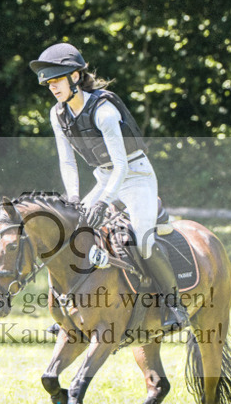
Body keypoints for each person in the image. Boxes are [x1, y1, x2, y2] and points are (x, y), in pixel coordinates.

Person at [30, 42, 190, 330]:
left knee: (142, 240)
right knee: (74, 233)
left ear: (75, 77)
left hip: (136, 177)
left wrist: (104, 202)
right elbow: (68, 163)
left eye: (57, 81)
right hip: (105, 178)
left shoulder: (103, 110)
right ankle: (71, 307)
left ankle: (174, 305)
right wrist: (75, 200)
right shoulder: (58, 114)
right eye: (48, 83)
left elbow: (122, 166)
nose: (52, 88)